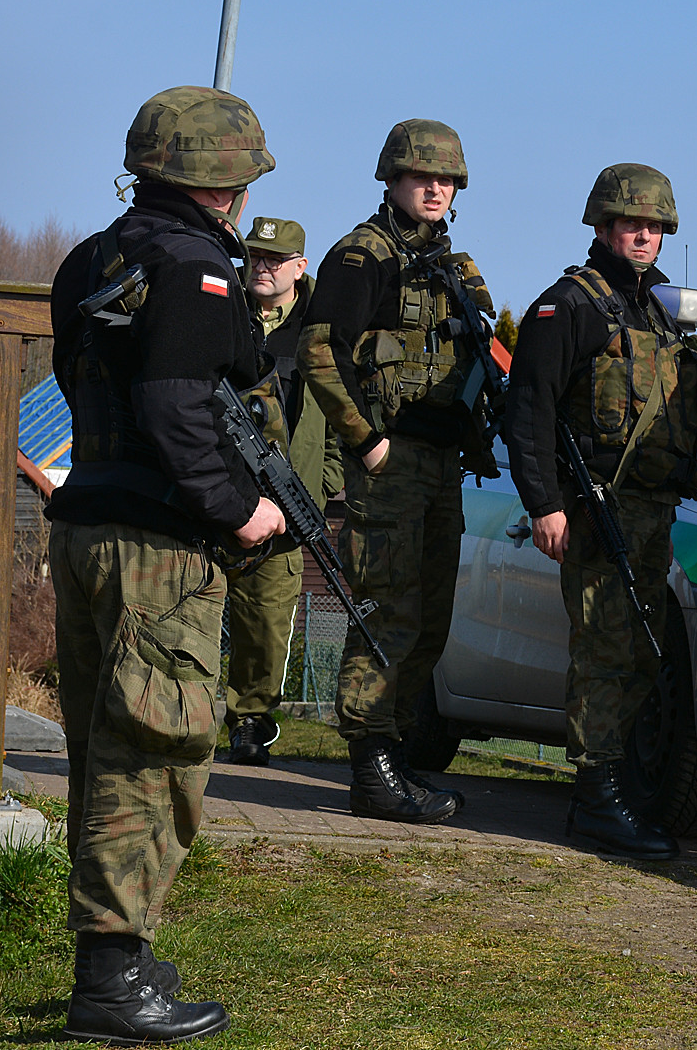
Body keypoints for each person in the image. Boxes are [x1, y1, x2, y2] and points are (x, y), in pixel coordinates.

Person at [46, 85, 286, 1044]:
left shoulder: (93, 256)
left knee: (106, 749)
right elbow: (178, 405)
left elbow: (86, 380)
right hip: (158, 549)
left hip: (88, 520)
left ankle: (119, 958)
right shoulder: (195, 266)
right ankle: (110, 982)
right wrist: (239, 508)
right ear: (225, 179)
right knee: (156, 754)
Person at [503, 163, 697, 860]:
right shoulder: (571, 305)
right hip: (595, 510)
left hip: (652, 511)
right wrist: (545, 504)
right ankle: (597, 797)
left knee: (637, 653)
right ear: (602, 226)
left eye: (654, 225)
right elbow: (528, 408)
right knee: (603, 650)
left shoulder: (659, 307)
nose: (644, 234)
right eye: (631, 223)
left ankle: (616, 785)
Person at [297, 119, 495, 823]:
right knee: (388, 613)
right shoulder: (363, 256)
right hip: (392, 463)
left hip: (442, 463)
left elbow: (480, 358)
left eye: (446, 179)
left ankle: (395, 754)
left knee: (431, 620)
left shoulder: (455, 267)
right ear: (392, 178)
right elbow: (321, 352)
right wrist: (367, 441)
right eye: (422, 176)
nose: (435, 187)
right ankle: (372, 768)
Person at [223, 216, 343, 766]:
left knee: (266, 618)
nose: (263, 267)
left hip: (287, 499)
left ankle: (249, 720)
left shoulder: (323, 327)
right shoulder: (222, 311)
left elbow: (343, 412)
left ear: (300, 266)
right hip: (218, 489)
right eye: (255, 257)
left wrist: (324, 483)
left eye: (276, 259)